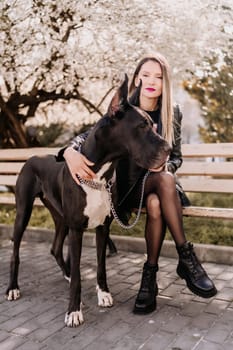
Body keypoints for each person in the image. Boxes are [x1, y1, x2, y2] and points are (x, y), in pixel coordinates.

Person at [61, 53, 217, 315]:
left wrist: (167, 166)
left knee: (159, 194)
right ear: (136, 79)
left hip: (156, 186)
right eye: (146, 75)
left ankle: (150, 278)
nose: (152, 81)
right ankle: (186, 259)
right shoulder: (125, 108)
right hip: (125, 189)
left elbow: (176, 156)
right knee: (162, 188)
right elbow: (94, 133)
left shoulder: (172, 111)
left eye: (158, 76)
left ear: (165, 82)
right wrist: (68, 151)